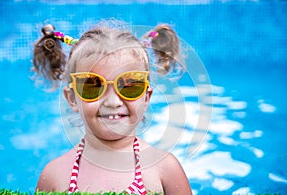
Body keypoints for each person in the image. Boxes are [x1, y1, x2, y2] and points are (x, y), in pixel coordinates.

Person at [33, 20, 192, 195]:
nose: (112, 102)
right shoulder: (56, 175)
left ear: (146, 97)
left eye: (130, 85)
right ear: (72, 98)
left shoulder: (164, 170)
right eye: (92, 85)